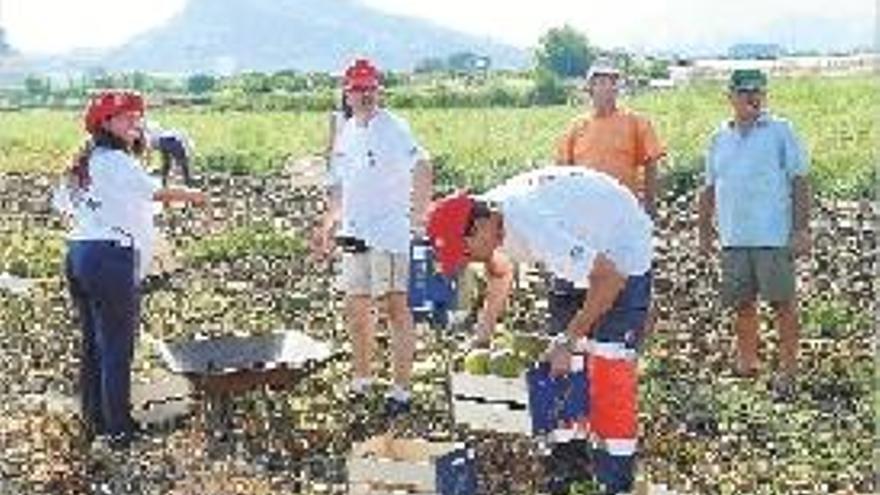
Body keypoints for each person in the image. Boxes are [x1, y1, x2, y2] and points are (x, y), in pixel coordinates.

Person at [426, 166, 652, 494]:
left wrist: (569, 338)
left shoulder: (533, 226)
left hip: (621, 252)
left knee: (607, 366)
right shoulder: (491, 216)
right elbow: (500, 273)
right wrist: (483, 334)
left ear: (478, 229)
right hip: (579, 251)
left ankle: (614, 476)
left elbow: (611, 278)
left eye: (464, 252)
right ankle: (568, 466)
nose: (465, 261)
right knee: (560, 368)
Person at [55, 89, 206, 448]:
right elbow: (157, 193)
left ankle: (95, 421)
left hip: (79, 253)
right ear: (105, 123)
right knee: (116, 347)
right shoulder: (116, 162)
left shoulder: (85, 161)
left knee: (94, 344)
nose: (135, 122)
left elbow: (63, 203)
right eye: (126, 117)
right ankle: (120, 430)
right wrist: (197, 196)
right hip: (110, 257)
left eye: (137, 116)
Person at [311, 58, 433, 416]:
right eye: (356, 89)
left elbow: (423, 165)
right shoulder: (348, 131)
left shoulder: (393, 128)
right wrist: (328, 225)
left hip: (389, 232)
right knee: (356, 308)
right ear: (346, 94)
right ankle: (362, 379)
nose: (363, 95)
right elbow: (341, 185)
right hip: (355, 231)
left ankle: (400, 390)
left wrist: (417, 218)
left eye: (369, 89)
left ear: (378, 91)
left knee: (395, 307)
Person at [698, 69, 810, 400]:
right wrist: (705, 232)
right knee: (742, 306)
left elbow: (799, 180)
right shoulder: (719, 138)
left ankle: (788, 370)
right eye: (745, 91)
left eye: (758, 91)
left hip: (773, 236)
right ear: (730, 97)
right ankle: (748, 364)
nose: (753, 96)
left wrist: (801, 229)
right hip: (734, 238)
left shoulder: (780, 131)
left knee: (782, 304)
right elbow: (709, 188)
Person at [553, 58, 665, 341]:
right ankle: (585, 337)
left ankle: (626, 341)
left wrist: (649, 205)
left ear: (618, 88)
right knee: (588, 278)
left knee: (627, 278)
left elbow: (650, 163)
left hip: (623, 218)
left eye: (612, 82)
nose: (606, 88)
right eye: (600, 82)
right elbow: (563, 175)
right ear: (589, 89)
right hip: (585, 221)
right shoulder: (576, 128)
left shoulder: (636, 123)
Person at [143, 120, 195, 187]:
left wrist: (146, 165)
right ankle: (186, 182)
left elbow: (148, 151)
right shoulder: (152, 129)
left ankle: (183, 182)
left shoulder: (149, 131)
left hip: (169, 141)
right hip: (168, 141)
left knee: (175, 163)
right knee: (176, 164)